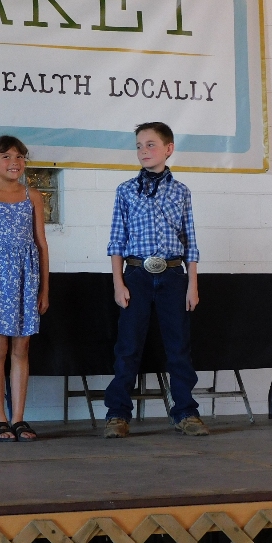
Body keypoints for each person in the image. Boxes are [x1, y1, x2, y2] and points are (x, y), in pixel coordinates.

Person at [104, 122, 208, 438]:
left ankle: (185, 412)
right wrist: (118, 282)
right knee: (128, 345)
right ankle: (118, 414)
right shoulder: (126, 190)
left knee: (178, 346)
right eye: (139, 146)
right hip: (136, 274)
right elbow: (117, 240)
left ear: (168, 149)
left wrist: (192, 283)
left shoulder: (181, 191)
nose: (143, 151)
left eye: (150, 144)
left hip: (173, 275)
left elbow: (189, 239)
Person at [0, 136, 50, 441]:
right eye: (6, 157)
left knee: (21, 348)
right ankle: (0, 419)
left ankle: (18, 418)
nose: (14, 162)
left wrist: (44, 289)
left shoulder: (34, 196)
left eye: (19, 157)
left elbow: (41, 245)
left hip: (27, 279)